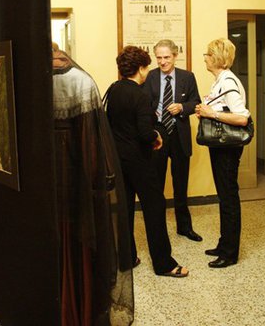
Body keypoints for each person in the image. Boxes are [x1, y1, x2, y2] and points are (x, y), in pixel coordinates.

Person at [52, 46, 134, 325]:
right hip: (78, 185)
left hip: (44, 185)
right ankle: (81, 308)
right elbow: (92, 147)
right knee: (79, 245)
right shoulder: (82, 81)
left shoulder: (30, 81)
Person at [106, 46, 188, 278]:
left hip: (119, 160)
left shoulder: (113, 90)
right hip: (140, 161)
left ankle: (127, 257)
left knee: (125, 209)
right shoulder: (139, 95)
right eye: (146, 67)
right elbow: (144, 132)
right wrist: (156, 136)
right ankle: (164, 264)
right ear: (141, 68)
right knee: (155, 208)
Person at [195, 38, 250, 268]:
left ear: (216, 57)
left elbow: (242, 117)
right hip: (221, 146)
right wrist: (206, 111)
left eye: (207, 54)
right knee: (224, 196)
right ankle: (223, 243)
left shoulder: (228, 81)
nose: (205, 58)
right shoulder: (220, 81)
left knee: (228, 197)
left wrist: (212, 114)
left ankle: (229, 252)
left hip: (228, 148)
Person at [143, 39, 202, 241]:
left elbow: (196, 103)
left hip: (179, 134)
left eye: (166, 57)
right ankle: (158, 229)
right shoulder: (150, 77)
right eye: (158, 58)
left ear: (175, 56)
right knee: (156, 184)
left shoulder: (187, 77)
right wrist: (153, 112)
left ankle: (184, 227)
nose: (162, 62)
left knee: (180, 184)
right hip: (158, 134)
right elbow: (142, 105)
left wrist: (182, 108)